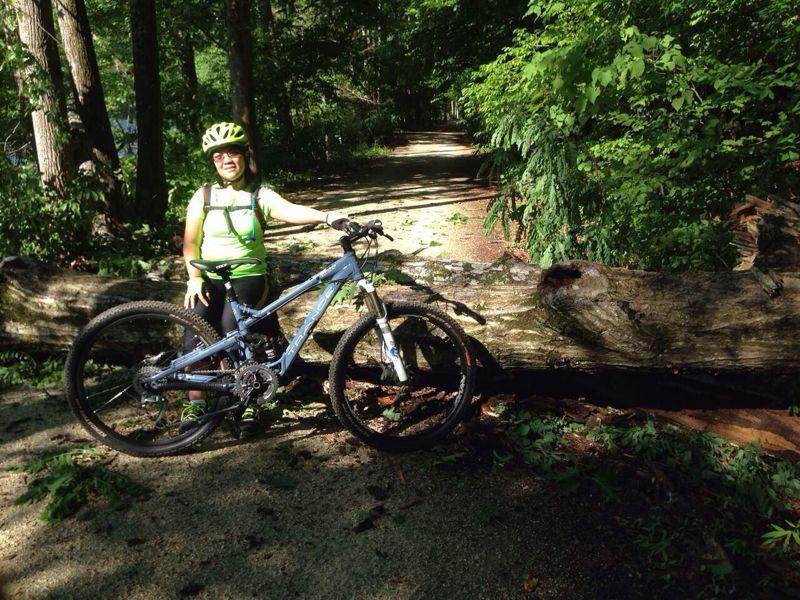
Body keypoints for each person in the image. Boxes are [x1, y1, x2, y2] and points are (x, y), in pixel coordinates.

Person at [180, 121, 349, 433]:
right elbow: (190, 243)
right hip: (207, 276)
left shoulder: (259, 196)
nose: (226, 160)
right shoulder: (202, 196)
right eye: (218, 156)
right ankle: (196, 405)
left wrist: (327, 217)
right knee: (195, 331)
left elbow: (291, 210)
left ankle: (250, 401)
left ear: (244, 156)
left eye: (232, 153)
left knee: (234, 329)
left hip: (248, 276)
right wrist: (193, 277)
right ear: (213, 162)